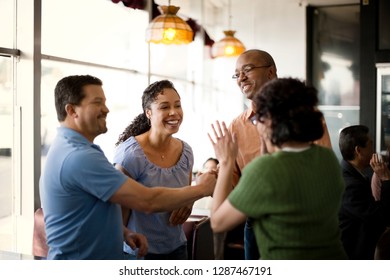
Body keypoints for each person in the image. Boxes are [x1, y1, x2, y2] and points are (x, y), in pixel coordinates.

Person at [39, 75, 216, 260]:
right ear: (72, 110)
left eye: (105, 102)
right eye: (97, 102)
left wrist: (122, 232)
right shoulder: (80, 157)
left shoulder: (70, 148)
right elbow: (148, 201)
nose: (106, 109)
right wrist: (202, 188)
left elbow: (87, 212)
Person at [209, 77, 347, 260]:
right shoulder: (327, 158)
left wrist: (226, 162)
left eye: (258, 119)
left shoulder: (263, 170)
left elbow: (218, 223)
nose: (256, 125)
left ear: (269, 121)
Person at [228, 49, 332, 260]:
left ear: (271, 72)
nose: (241, 78)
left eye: (247, 70)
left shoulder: (306, 116)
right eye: (236, 74)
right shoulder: (236, 126)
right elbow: (233, 181)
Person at [113, 80, 193, 260]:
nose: (174, 112)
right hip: (138, 253)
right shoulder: (131, 155)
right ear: (148, 113)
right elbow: (118, 219)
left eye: (177, 105)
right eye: (164, 107)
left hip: (178, 248)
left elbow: (186, 196)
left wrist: (190, 202)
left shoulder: (186, 152)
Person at [338, 125, 390, 259]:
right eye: (370, 145)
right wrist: (385, 179)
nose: (374, 151)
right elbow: (381, 218)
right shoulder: (350, 185)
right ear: (358, 150)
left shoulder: (353, 175)